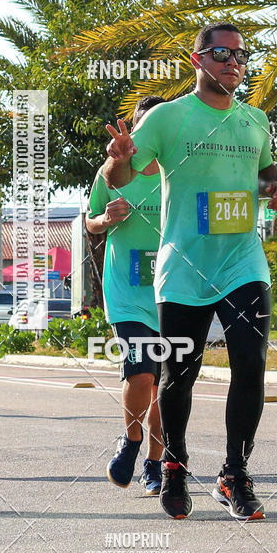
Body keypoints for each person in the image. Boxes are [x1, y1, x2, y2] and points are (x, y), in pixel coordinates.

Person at [104, 23, 277, 521]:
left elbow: (265, 170)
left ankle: (234, 474)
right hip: (184, 267)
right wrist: (116, 162)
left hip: (242, 262)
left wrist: (274, 187)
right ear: (197, 60)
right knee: (179, 376)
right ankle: (174, 466)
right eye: (221, 53)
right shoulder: (168, 118)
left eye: (240, 55)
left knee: (250, 362)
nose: (232, 62)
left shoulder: (254, 121)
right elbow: (121, 173)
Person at [86, 96, 166, 495]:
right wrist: (106, 218)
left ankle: (156, 463)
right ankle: (132, 441)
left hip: (173, 288)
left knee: (164, 386)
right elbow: (91, 221)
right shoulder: (112, 173)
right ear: (134, 130)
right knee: (142, 371)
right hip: (126, 291)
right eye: (143, 125)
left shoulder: (179, 171)